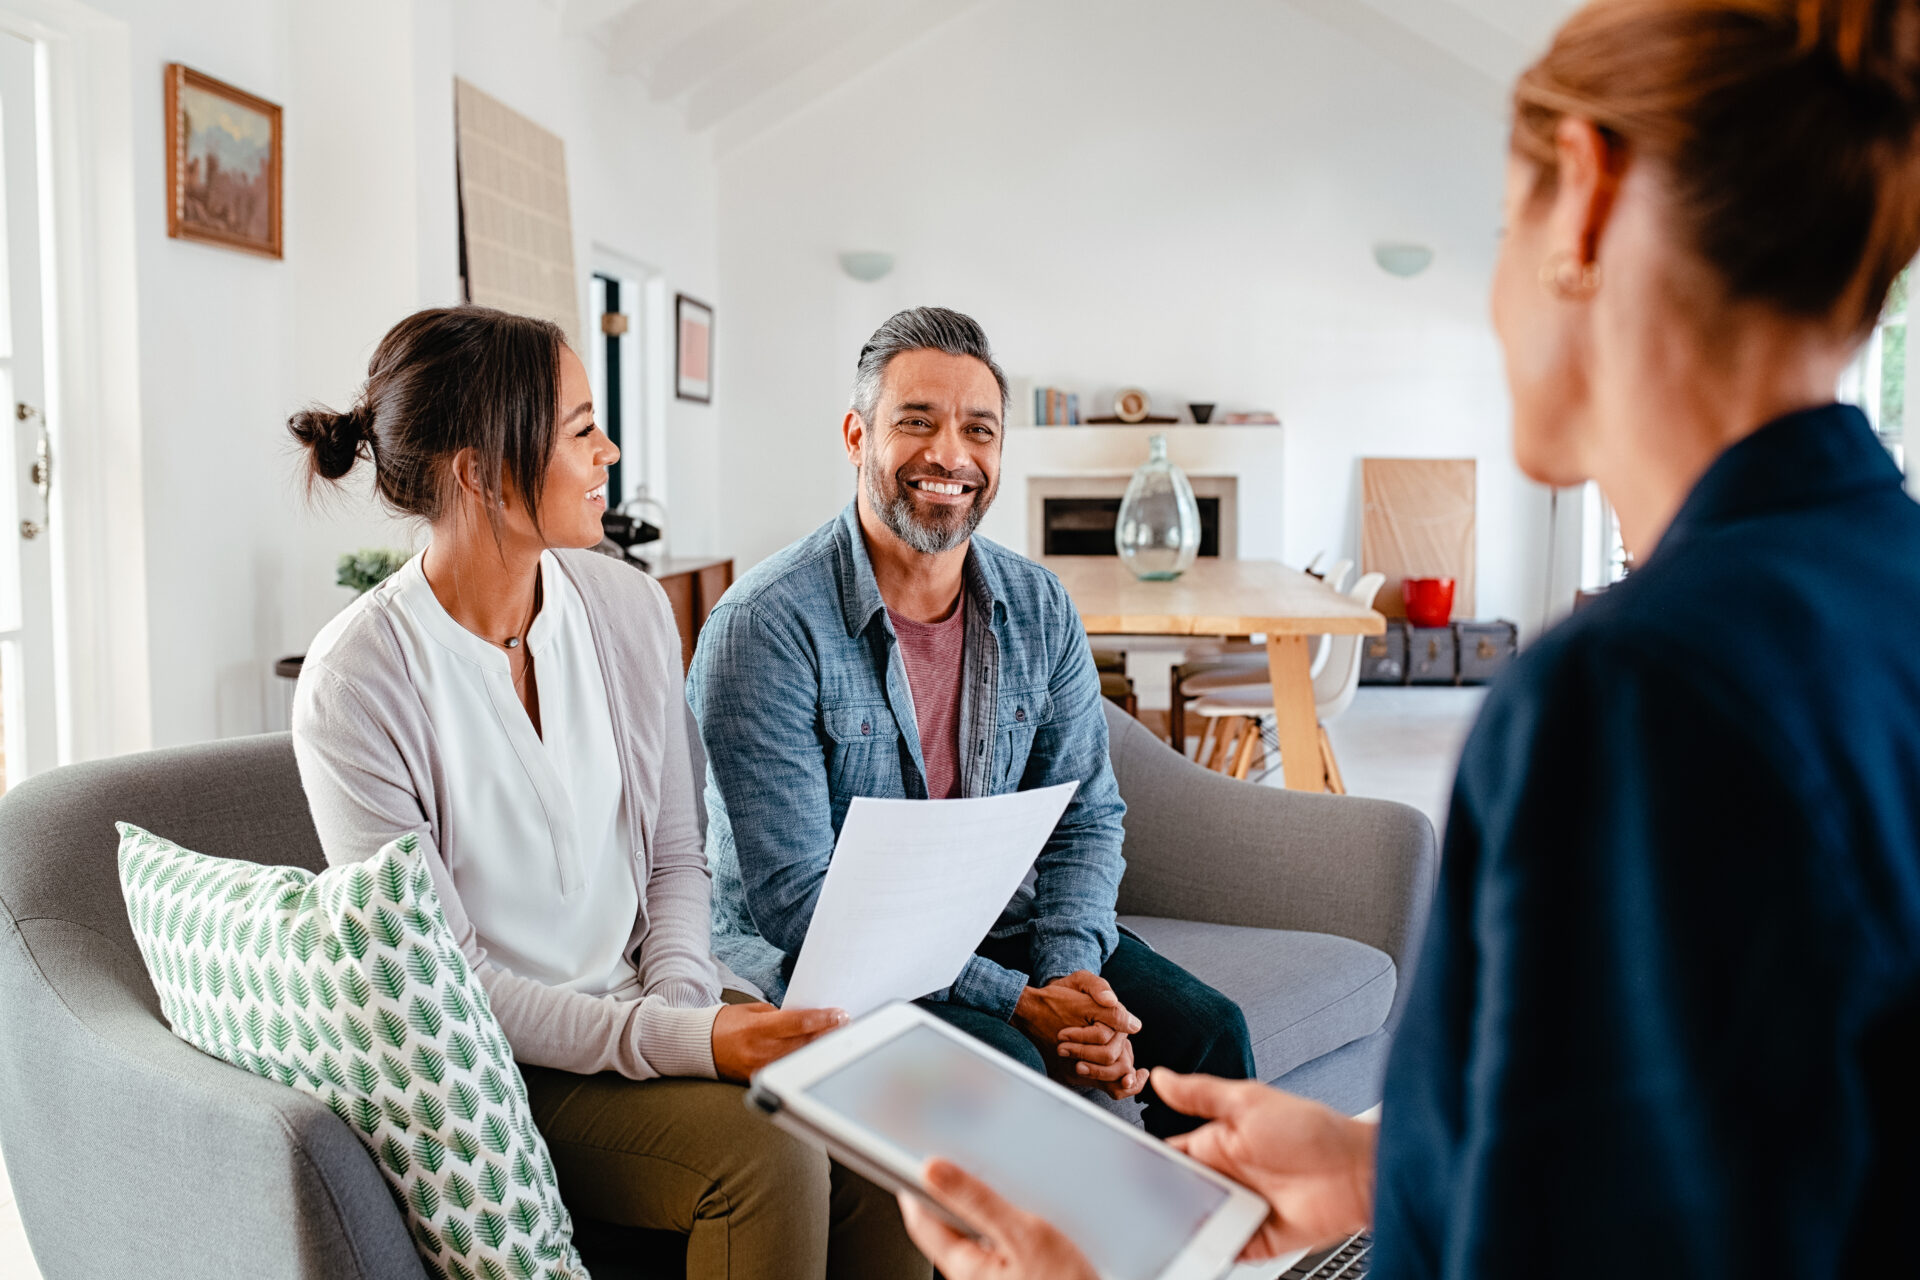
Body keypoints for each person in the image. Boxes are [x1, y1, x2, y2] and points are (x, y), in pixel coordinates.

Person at [897, 1, 1920, 1275]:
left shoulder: (1631, 693)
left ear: (1587, 198)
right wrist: (1390, 1168)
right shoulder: (1887, 590)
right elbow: (1758, 1164)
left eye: (1503, 229)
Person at [287, 305, 928, 1280]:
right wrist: (682, 1039)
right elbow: (449, 985)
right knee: (769, 1158)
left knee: (878, 1118)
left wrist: (682, 1016)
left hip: (655, 1003)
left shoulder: (626, 607)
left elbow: (678, 856)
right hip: (508, 1070)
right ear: (479, 471)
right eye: (582, 428)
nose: (611, 450)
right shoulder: (359, 682)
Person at [686, 306, 1256, 1138]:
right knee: (1011, 1069)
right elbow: (798, 904)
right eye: (916, 422)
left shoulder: (1038, 605)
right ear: (855, 436)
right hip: (828, 959)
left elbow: (1086, 817)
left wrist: (1070, 985)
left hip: (999, 923)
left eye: (977, 430)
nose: (950, 454)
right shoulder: (764, 627)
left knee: (1211, 1037)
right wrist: (1023, 1007)